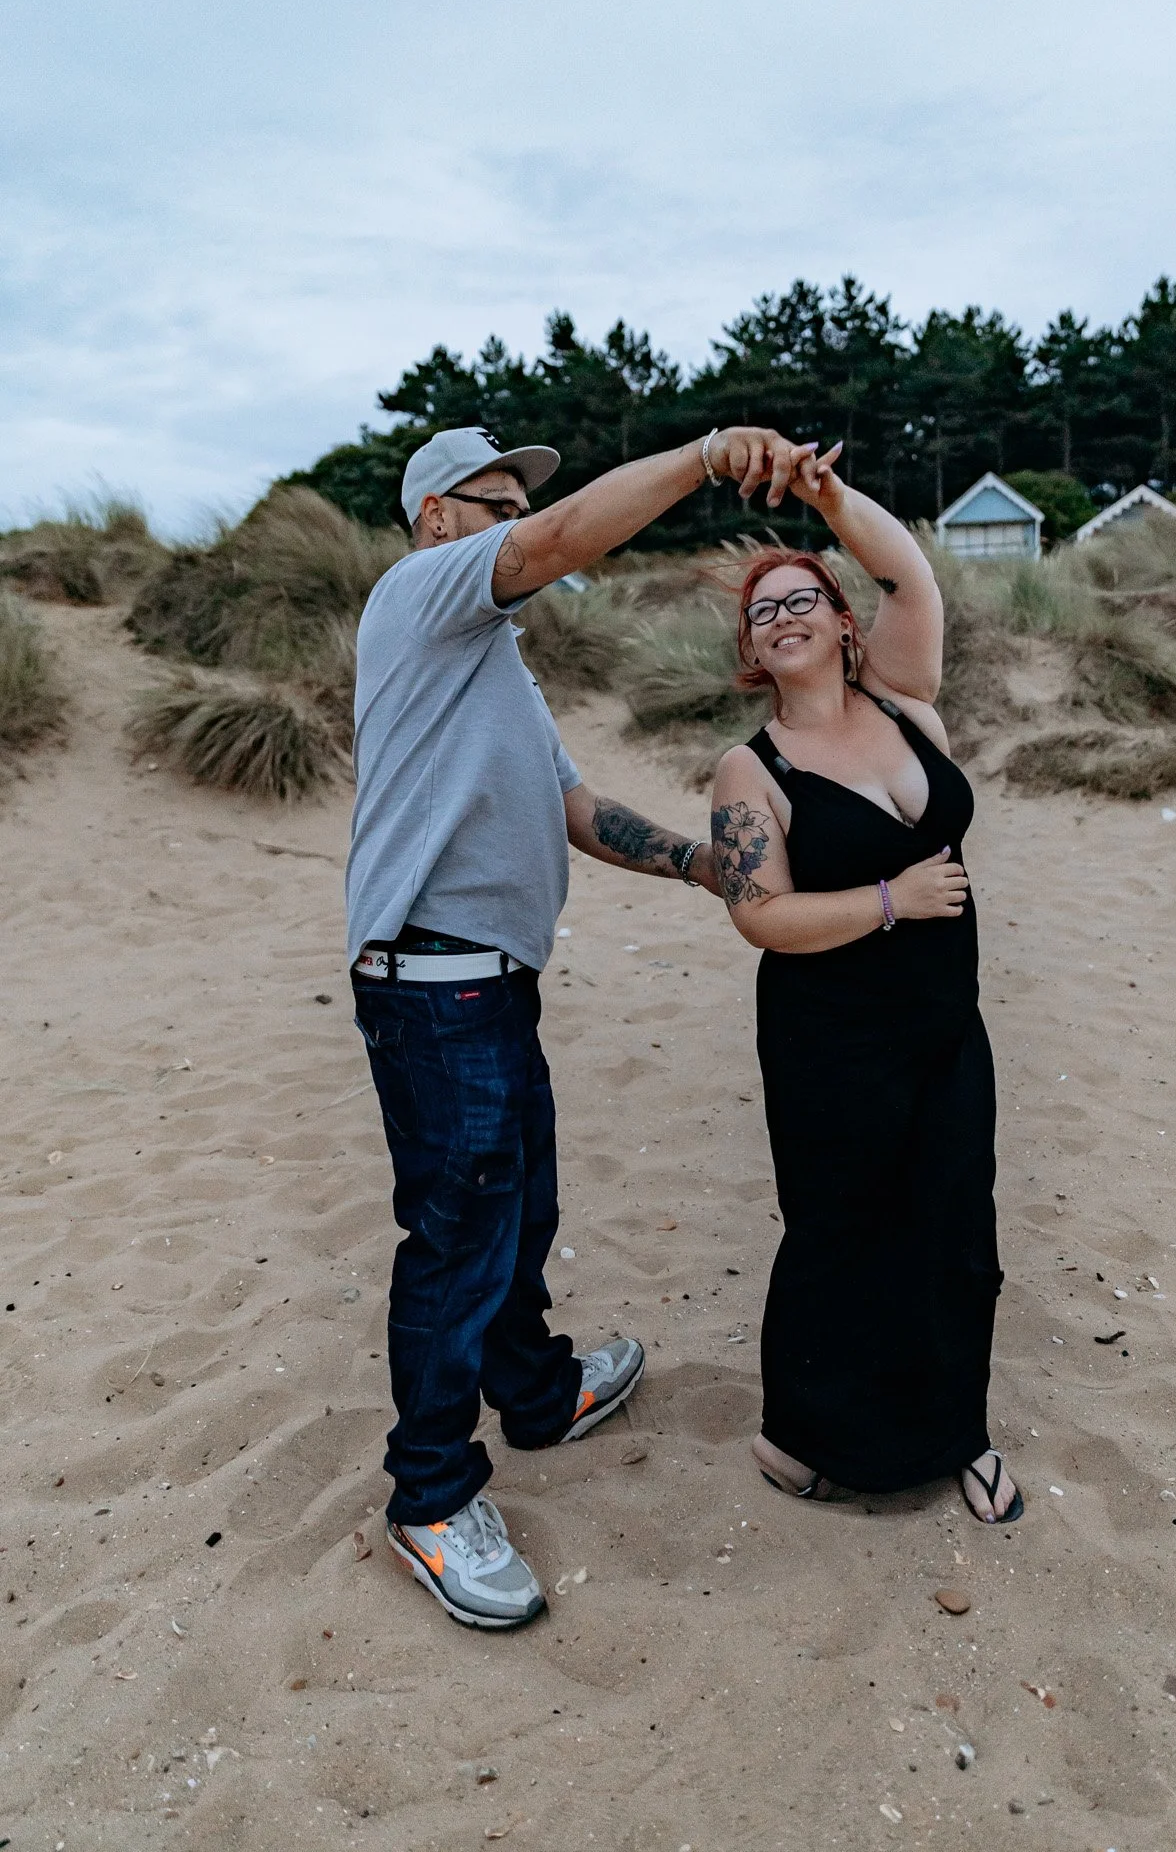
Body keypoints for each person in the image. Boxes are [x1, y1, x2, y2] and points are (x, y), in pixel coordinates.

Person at [346, 420, 817, 1630]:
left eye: (519, 499)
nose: (513, 516)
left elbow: (575, 806)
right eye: (489, 498)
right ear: (435, 517)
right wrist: (709, 455)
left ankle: (539, 1391)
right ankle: (431, 1496)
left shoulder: (493, 659)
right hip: (432, 977)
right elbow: (560, 539)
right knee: (457, 1231)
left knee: (518, 1202)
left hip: (486, 978)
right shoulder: (420, 595)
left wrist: (702, 865)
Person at [709, 446, 1022, 1525]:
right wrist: (892, 900)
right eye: (763, 613)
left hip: (944, 1029)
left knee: (953, 1229)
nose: (785, 616)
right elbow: (760, 913)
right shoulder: (753, 769)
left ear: (844, 624)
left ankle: (960, 1436)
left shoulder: (907, 707)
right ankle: (805, 1434)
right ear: (749, 650)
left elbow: (913, 580)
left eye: (804, 599)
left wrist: (825, 497)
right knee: (841, 1234)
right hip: (829, 1040)